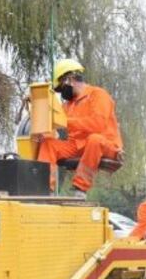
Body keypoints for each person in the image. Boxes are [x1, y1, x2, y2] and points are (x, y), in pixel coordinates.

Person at [35, 58, 123, 199]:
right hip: (77, 145)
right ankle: (45, 189)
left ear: (70, 79)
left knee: (94, 139)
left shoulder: (98, 95)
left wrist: (66, 121)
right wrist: (44, 132)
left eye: (61, 87)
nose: (61, 93)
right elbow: (58, 125)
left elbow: (97, 124)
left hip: (106, 144)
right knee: (48, 144)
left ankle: (80, 189)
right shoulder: (67, 105)